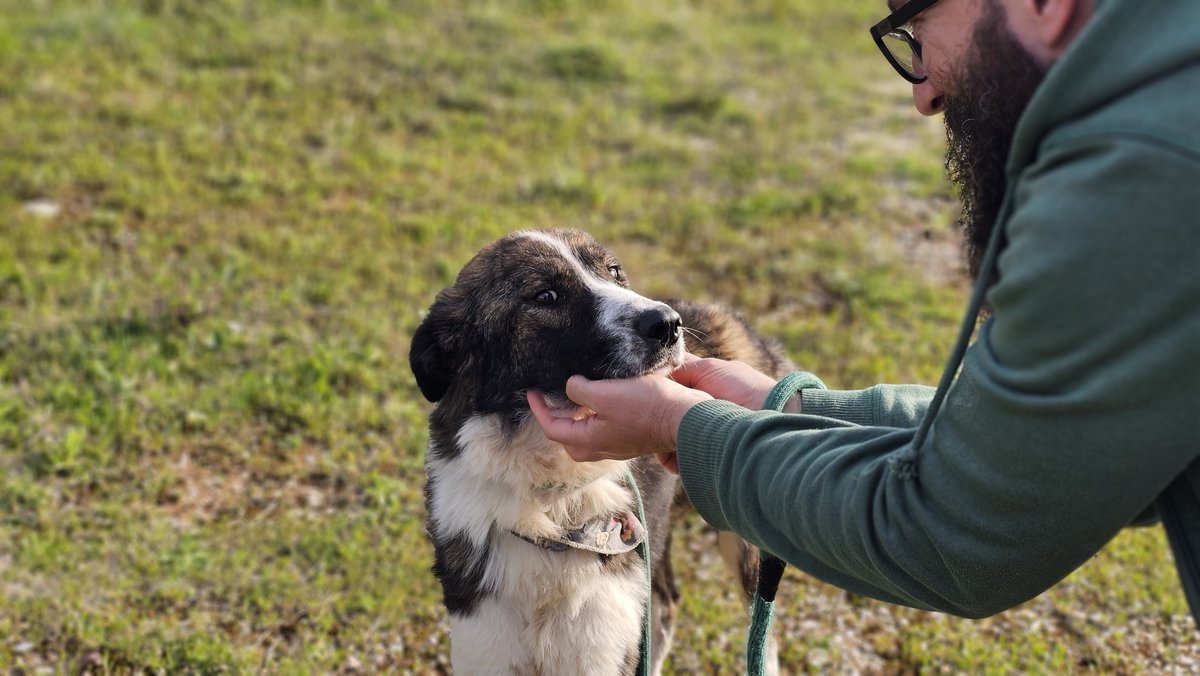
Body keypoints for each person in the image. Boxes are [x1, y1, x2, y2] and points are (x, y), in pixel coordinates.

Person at [528, 0, 1200, 620]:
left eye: (916, 30)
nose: (923, 94)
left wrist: (681, 426)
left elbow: (955, 533)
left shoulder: (1139, 183)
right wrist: (793, 410)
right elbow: (1054, 449)